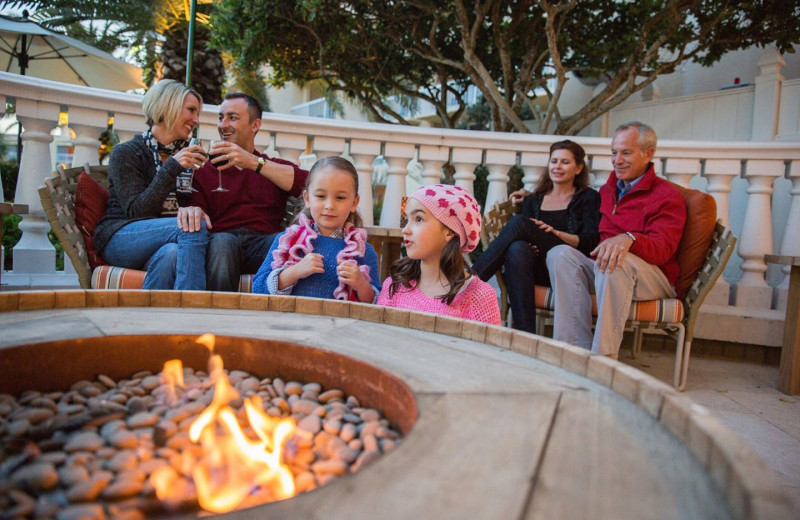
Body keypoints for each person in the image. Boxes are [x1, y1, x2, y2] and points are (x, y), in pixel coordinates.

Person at [547, 121, 686, 358]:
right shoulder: (609, 190)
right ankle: (572, 351)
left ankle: (603, 359)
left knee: (613, 261)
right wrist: (532, 195)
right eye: (614, 153)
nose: (617, 160)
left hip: (653, 276)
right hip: (608, 271)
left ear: (648, 153)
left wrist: (630, 239)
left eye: (626, 153)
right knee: (559, 254)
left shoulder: (667, 197)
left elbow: (663, 250)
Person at [182, 93, 309, 291]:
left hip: (263, 245)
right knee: (223, 243)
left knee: (286, 240)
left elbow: (312, 183)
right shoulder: (204, 170)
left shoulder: (271, 166)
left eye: (232, 117)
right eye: (220, 117)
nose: (223, 125)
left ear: (255, 125)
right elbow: (196, 211)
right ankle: (220, 318)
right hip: (222, 245)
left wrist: (252, 162)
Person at [471, 140, 600, 333]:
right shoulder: (533, 199)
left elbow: (590, 242)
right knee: (518, 249)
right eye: (554, 161)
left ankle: (470, 280)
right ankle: (525, 335)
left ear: (579, 167)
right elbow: (526, 239)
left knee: (519, 224)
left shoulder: (588, 198)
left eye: (565, 162)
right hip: (534, 268)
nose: (557, 166)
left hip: (566, 268)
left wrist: (556, 234)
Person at [94, 79, 210, 290]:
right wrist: (172, 167)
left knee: (171, 255)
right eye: (191, 111)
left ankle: (154, 318)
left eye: (197, 113)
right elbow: (137, 212)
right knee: (193, 227)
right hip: (121, 237)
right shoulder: (127, 153)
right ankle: (195, 309)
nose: (196, 120)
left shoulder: (190, 155)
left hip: (166, 242)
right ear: (168, 107)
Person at [252, 156, 380, 302]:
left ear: (354, 202)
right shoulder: (286, 242)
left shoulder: (363, 251)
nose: (329, 205)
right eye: (320, 196)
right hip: (290, 323)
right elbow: (257, 288)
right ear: (307, 199)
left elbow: (377, 304)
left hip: (341, 325)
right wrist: (294, 272)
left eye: (340, 197)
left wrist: (361, 285)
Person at [378, 184, 501, 325]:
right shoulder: (394, 287)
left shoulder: (480, 297)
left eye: (418, 219)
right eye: (406, 220)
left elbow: (485, 348)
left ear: (449, 231)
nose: (405, 230)